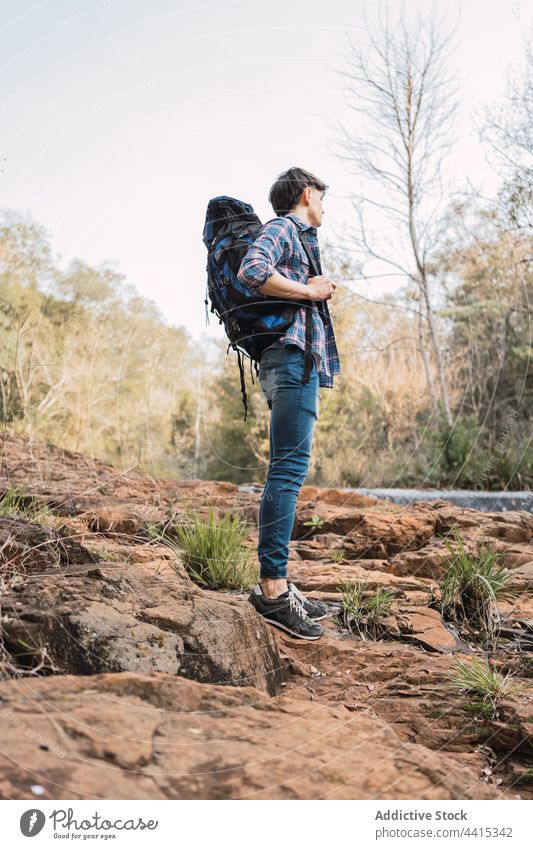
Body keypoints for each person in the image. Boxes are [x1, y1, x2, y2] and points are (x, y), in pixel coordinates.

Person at [237, 166, 341, 640]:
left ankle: (280, 584)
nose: (324, 205)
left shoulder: (299, 237)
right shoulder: (283, 228)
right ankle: (273, 591)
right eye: (321, 196)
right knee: (287, 472)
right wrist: (309, 290)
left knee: (287, 469)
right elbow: (251, 271)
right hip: (292, 360)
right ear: (305, 194)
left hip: (290, 361)